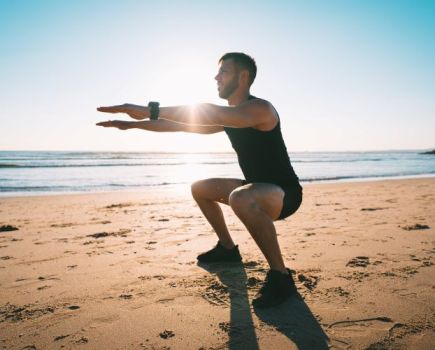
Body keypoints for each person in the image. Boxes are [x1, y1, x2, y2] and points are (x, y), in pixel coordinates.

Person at [96, 52, 303, 308]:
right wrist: (132, 125)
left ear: (243, 76)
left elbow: (210, 113)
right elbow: (178, 125)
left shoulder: (260, 109)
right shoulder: (230, 117)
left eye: (223, 71)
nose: (216, 77)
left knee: (239, 196)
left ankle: (281, 277)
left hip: (285, 195)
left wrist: (151, 109)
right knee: (200, 188)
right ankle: (228, 250)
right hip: (256, 189)